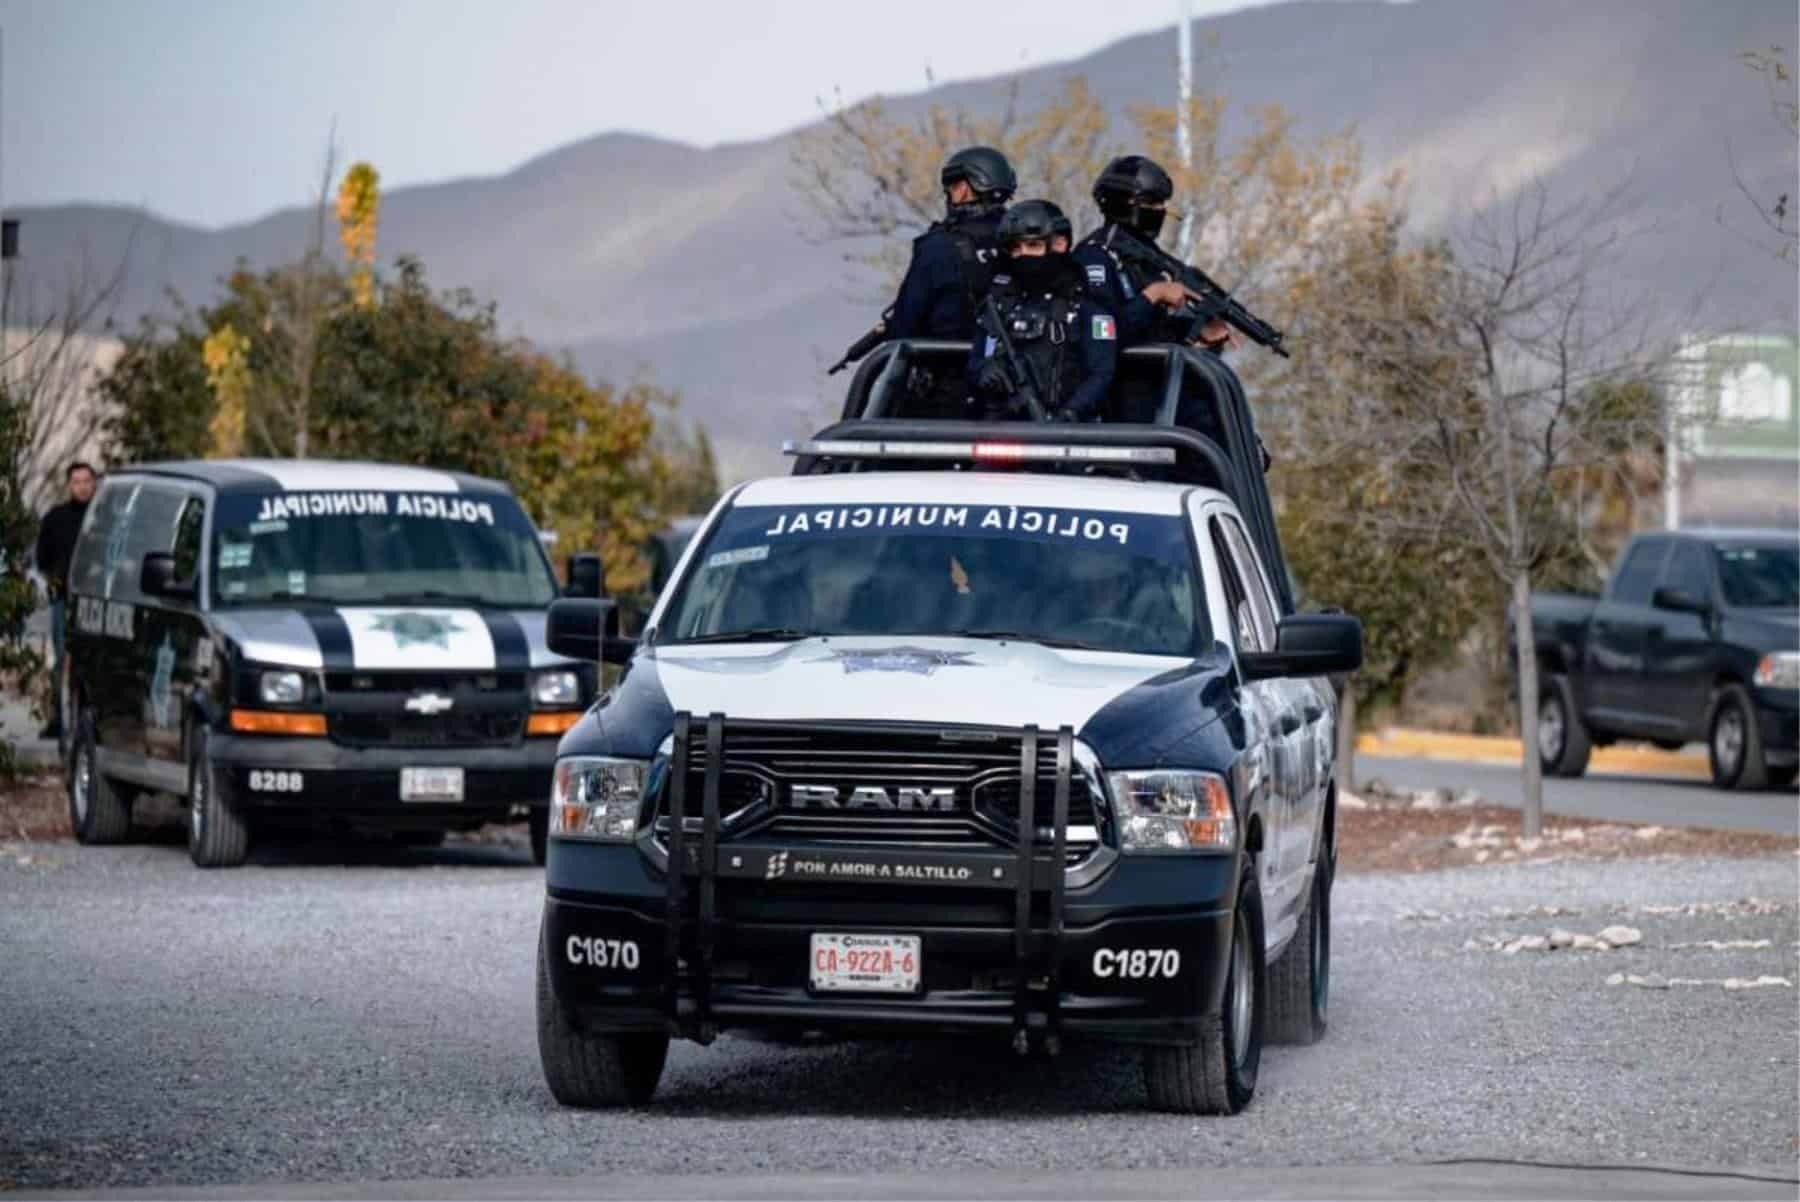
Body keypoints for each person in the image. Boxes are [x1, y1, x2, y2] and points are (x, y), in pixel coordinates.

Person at [966, 200, 1118, 423]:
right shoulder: (1000, 305)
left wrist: (1071, 413)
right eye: (1015, 248)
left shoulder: (1084, 306)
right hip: (1001, 429)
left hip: (1068, 435)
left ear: (1059, 244)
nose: (1022, 255)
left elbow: (1102, 373)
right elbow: (975, 359)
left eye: (1033, 245)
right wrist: (983, 370)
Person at [1072, 155, 1234, 351]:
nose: (1161, 211)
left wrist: (1199, 330)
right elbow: (1102, 333)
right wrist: (1155, 294)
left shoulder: (1146, 257)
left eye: (1162, 204)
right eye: (1152, 203)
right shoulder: (1095, 255)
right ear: (1126, 202)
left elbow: (1151, 329)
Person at [888, 146, 1017, 341]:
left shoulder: (937, 246)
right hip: (1022, 366)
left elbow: (906, 324)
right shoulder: (1030, 242)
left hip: (950, 366)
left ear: (964, 189)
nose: (949, 193)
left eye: (953, 186)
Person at [34, 461, 96, 739]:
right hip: (64, 599)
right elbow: (42, 558)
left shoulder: (102, 517)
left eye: (87, 481)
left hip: (95, 601)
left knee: (94, 660)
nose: (82, 487)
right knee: (62, 659)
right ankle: (59, 719)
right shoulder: (56, 518)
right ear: (69, 485)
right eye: (77, 481)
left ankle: (94, 722)